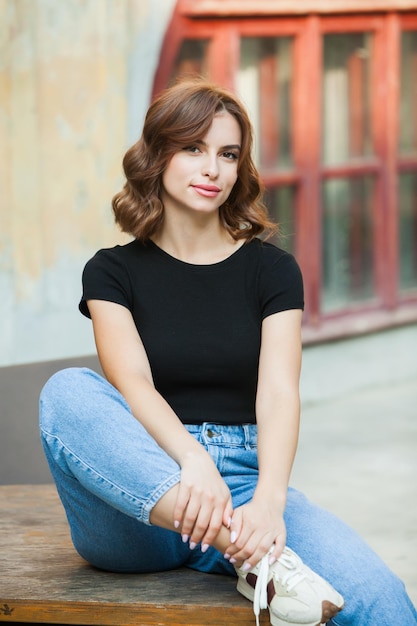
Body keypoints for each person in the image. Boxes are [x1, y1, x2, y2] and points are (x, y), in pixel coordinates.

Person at [39, 79, 417, 626]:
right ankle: (256, 556)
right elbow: (133, 383)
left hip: (244, 483)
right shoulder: (110, 271)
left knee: (382, 598)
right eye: (192, 147)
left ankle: (250, 546)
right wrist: (192, 461)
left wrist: (268, 500)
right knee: (67, 391)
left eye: (228, 154)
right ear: (157, 155)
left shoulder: (272, 271)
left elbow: (280, 391)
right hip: (140, 504)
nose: (211, 168)